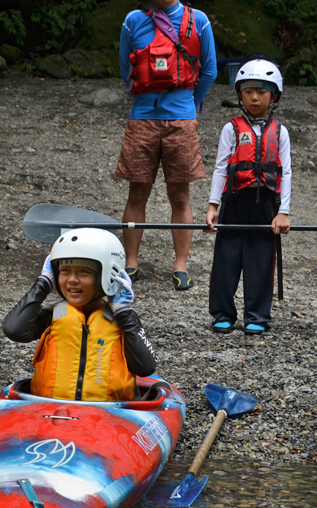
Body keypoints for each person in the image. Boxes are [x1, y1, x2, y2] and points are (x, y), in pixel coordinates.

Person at [116, 0, 217, 291]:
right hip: (142, 119)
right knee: (137, 192)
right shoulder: (133, 20)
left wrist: (189, 104)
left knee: (180, 195)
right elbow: (126, 69)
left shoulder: (199, 21)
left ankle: (180, 264)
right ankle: (131, 262)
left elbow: (208, 70)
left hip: (182, 120)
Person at [3, 228, 157, 401]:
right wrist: (43, 283)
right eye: (64, 270)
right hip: (50, 410)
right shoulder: (53, 315)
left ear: (107, 275)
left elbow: (145, 367)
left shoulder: (122, 321)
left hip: (110, 415)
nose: (72, 279)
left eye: (84, 271)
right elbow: (14, 330)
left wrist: (124, 312)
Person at [206, 58, 292, 336]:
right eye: (248, 92)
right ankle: (223, 313)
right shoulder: (230, 129)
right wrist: (213, 205)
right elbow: (221, 167)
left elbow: (286, 172)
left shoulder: (280, 132)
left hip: (265, 203)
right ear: (240, 95)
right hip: (235, 200)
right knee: (226, 258)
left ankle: (257, 314)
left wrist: (284, 211)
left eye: (262, 92)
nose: (254, 98)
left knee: (260, 258)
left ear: (274, 96)